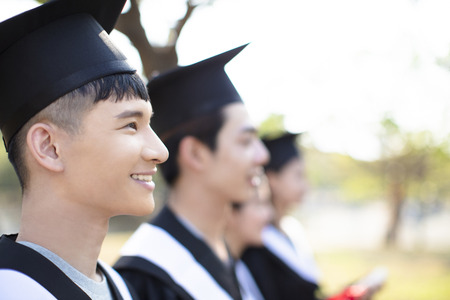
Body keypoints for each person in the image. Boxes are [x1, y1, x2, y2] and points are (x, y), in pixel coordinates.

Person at [0, 0, 168, 299]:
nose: (160, 151)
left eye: (150, 125)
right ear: (50, 147)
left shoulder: (118, 287)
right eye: (131, 125)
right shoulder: (12, 291)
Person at [114, 44, 270, 300]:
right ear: (195, 154)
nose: (263, 155)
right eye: (245, 142)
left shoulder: (221, 247)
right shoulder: (147, 277)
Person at [242, 132, 386, 300]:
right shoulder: (256, 242)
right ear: (272, 179)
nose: (306, 185)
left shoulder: (292, 229)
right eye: (298, 175)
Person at [225, 174, 274, 300]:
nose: (268, 214)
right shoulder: (217, 273)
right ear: (230, 211)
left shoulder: (241, 268)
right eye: (259, 205)